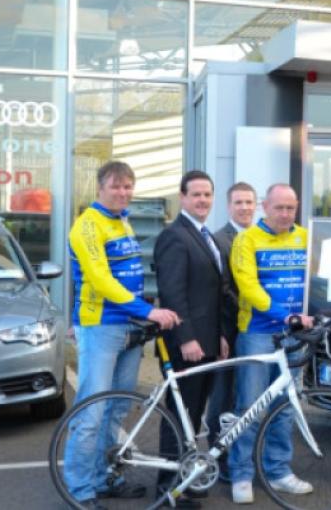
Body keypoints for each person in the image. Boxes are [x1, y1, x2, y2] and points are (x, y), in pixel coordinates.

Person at [63, 161, 179, 510]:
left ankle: (103, 478)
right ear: (100, 187)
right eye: (116, 186)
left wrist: (141, 309)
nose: (123, 192)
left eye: (128, 186)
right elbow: (99, 279)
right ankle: (80, 490)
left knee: (116, 409)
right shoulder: (87, 225)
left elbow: (126, 275)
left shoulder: (122, 220)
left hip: (128, 326)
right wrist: (148, 311)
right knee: (91, 413)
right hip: (102, 327)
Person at [228, 183, 314, 505]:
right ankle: (241, 473)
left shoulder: (305, 237)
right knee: (250, 405)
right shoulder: (246, 239)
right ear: (265, 206)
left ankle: (278, 471)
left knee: (286, 405)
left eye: (290, 208)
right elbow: (248, 287)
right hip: (258, 333)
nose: (284, 214)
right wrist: (285, 315)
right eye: (278, 207)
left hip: (294, 335)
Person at [153, 170, 231, 507]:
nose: (202, 200)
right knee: (180, 412)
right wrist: (186, 338)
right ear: (182, 197)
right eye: (196, 194)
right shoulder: (175, 236)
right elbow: (172, 292)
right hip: (188, 344)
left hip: (209, 341)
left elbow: (215, 292)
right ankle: (167, 487)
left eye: (207, 195)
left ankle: (183, 479)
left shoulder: (205, 235)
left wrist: (221, 337)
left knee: (193, 415)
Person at [205, 181, 257, 482]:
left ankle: (246, 458)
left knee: (249, 399)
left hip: (258, 331)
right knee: (222, 400)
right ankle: (219, 459)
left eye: (249, 202)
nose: (245, 208)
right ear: (229, 206)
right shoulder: (218, 240)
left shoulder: (262, 238)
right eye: (239, 202)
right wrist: (224, 332)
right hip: (230, 331)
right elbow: (220, 292)